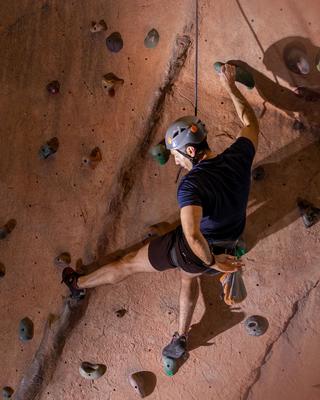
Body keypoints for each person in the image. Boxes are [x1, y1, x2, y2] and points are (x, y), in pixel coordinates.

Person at [61, 64, 259, 358]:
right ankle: (180, 337)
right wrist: (230, 87)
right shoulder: (239, 156)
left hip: (203, 251)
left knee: (129, 263)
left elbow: (192, 237)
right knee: (188, 278)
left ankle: (78, 284)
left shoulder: (191, 186)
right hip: (229, 239)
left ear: (190, 151)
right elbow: (250, 122)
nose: (176, 161)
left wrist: (214, 262)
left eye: (177, 155)